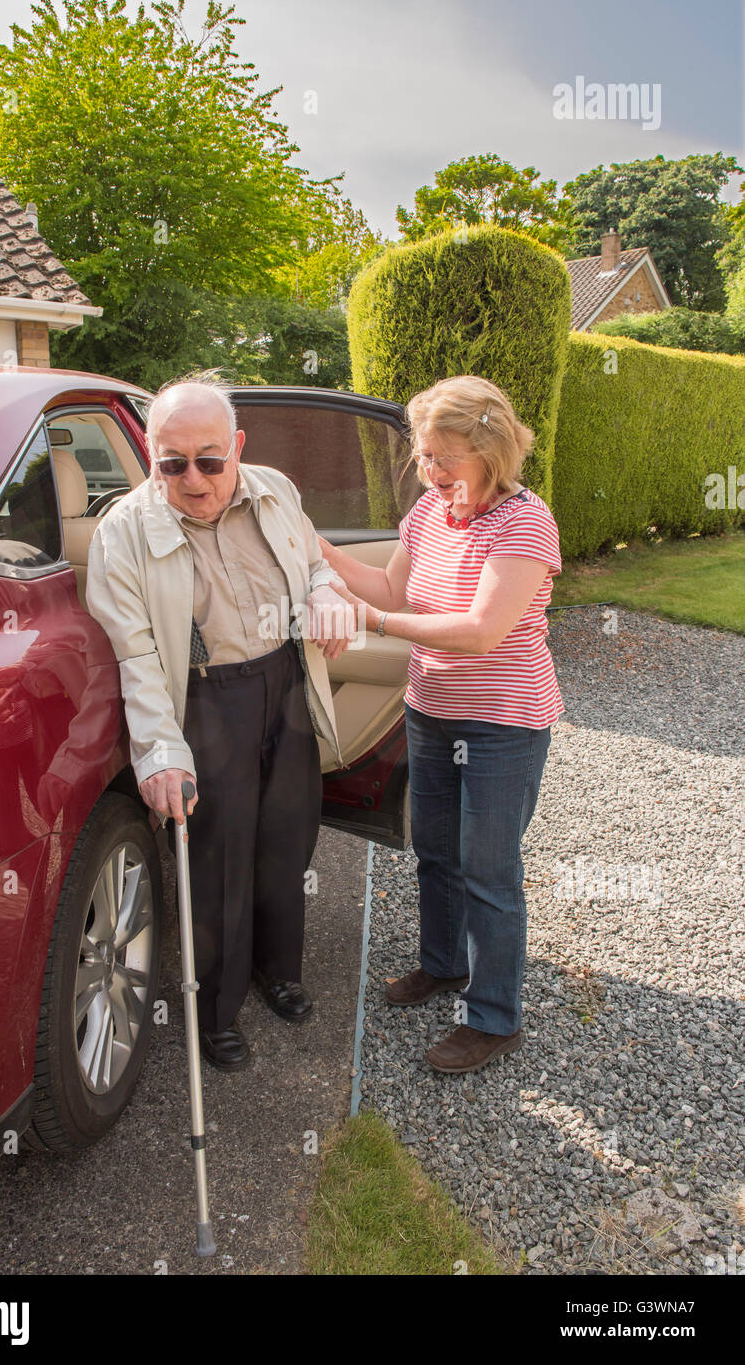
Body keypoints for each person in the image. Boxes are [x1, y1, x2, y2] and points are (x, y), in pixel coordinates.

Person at [86, 373, 353, 1070]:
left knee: (285, 842)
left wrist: (327, 595)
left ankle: (277, 970)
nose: (194, 479)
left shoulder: (274, 489)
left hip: (284, 681)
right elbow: (136, 654)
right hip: (206, 700)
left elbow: (313, 562)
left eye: (210, 459)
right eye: (172, 464)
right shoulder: (125, 531)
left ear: (237, 446)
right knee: (217, 863)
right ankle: (215, 1009)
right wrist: (158, 752)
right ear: (152, 458)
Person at [320, 375, 563, 1074]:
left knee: (488, 871)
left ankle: (493, 1019)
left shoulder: (525, 523)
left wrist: (373, 622)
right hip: (429, 711)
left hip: (503, 724)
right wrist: (322, 555)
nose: (427, 471)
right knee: (433, 852)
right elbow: (393, 588)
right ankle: (443, 965)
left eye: (441, 457)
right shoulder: (430, 510)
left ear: (488, 450)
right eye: (422, 456)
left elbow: (479, 631)